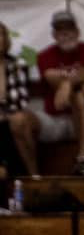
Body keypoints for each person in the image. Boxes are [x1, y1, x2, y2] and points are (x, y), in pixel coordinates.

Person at [35, 8, 84, 177]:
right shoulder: (45, 55)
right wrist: (82, 84)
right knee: (21, 121)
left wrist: (67, 84)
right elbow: (51, 77)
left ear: (77, 31)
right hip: (56, 119)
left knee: (80, 98)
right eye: (60, 30)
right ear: (54, 34)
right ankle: (33, 176)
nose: (65, 33)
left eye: (69, 29)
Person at [1, 22, 42, 179]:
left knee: (18, 120)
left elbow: (20, 102)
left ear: (6, 40)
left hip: (12, 116)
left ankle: (34, 176)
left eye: (0, 35)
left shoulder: (17, 65)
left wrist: (4, 115)